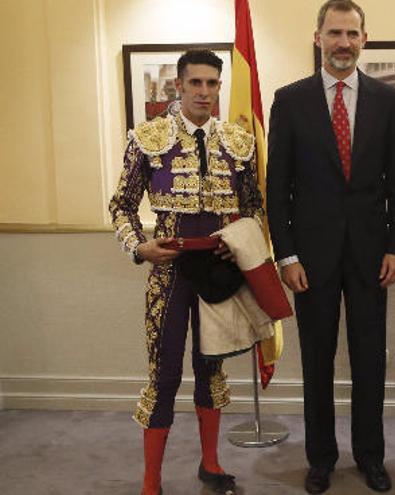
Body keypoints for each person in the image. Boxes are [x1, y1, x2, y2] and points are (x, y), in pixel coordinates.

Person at [265, 1, 395, 493]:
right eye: (335, 33)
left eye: (352, 33)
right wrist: (286, 255)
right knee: (317, 361)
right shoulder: (290, 100)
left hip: (373, 257)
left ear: (364, 39)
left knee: (370, 359)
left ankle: (371, 456)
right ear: (318, 38)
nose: (343, 42)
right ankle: (321, 459)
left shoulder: (389, 103)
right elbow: (276, 186)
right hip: (310, 259)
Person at [109, 49, 262, 495]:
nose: (204, 92)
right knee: (164, 373)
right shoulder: (148, 137)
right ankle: (151, 482)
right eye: (195, 83)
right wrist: (139, 246)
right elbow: (121, 205)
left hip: (218, 272)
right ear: (178, 86)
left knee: (211, 369)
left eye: (212, 83)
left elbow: (253, 206)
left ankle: (210, 464)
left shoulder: (239, 141)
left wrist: (243, 245)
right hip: (170, 272)